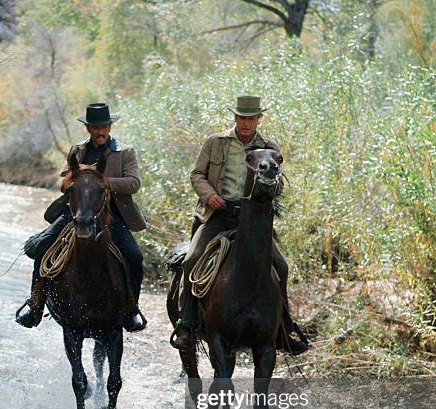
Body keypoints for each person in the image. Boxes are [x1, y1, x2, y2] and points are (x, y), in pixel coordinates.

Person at [171, 95, 308, 354]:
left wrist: (270, 186)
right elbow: (197, 174)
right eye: (242, 118)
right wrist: (209, 194)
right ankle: (186, 324)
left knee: (281, 266)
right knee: (191, 260)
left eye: (251, 118)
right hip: (217, 216)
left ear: (258, 119)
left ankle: (283, 328)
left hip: (253, 220)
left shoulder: (269, 147)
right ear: (235, 118)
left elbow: (277, 184)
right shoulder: (215, 142)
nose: (246, 123)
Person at [16, 103, 147, 332]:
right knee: (43, 245)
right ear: (88, 128)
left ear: (110, 126)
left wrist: (103, 183)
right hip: (75, 213)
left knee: (135, 257)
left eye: (104, 126)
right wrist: (73, 182)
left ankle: (131, 309)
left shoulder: (125, 151)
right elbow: (62, 180)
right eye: (95, 127)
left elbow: (134, 183)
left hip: (111, 216)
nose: (100, 131)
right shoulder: (77, 150)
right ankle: (35, 304)